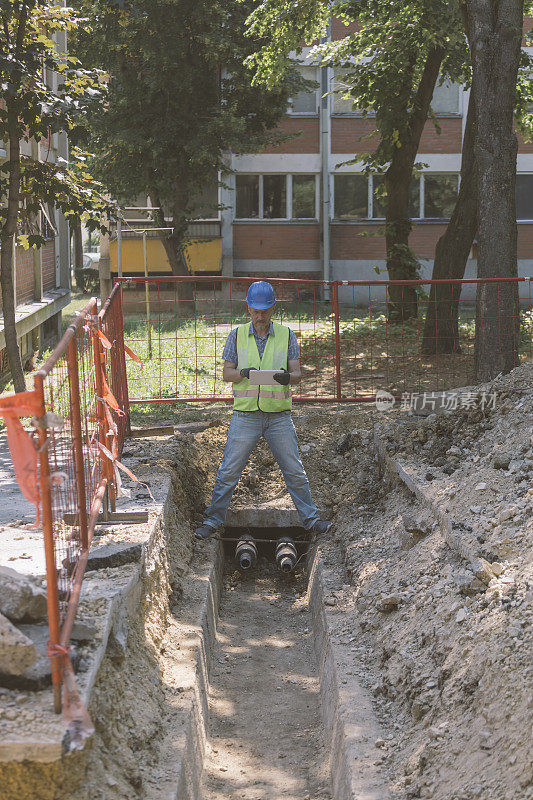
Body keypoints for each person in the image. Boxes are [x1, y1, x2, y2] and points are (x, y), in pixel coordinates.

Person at [194, 280, 333, 540]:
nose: (260, 316)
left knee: (294, 470)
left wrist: (287, 378)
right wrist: (242, 374)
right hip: (245, 415)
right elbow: (226, 373)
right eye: (256, 311)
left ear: (273, 308)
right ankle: (213, 521)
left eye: (265, 311)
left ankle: (311, 520)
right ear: (248, 307)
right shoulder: (236, 335)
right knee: (228, 471)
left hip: (278, 416)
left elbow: (298, 373)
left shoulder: (286, 335)